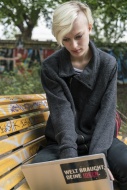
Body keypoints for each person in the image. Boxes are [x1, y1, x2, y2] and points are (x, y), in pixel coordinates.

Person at [32, 1, 127, 189]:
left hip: (99, 138)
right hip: (61, 142)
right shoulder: (51, 67)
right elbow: (62, 113)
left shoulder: (107, 64)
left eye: (78, 36)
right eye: (65, 39)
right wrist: (71, 162)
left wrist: (97, 159)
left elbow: (107, 113)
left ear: (89, 28)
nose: (73, 45)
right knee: (41, 174)